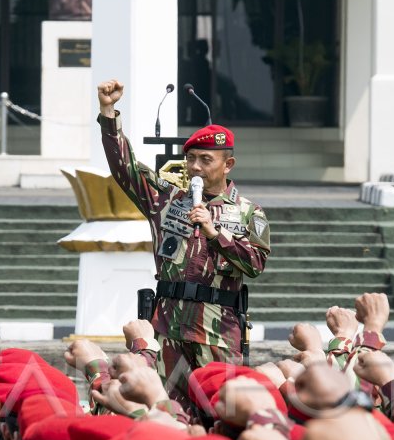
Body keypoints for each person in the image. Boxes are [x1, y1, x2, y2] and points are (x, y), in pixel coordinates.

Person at [97, 78, 271, 408]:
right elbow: (126, 169)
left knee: (221, 411)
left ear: (227, 164)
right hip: (166, 327)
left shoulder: (250, 212)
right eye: (191, 159)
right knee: (161, 408)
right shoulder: (167, 200)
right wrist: (108, 112)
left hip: (216, 331)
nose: (195, 167)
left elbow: (255, 264)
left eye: (206, 160)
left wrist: (214, 232)